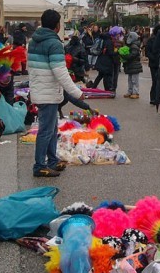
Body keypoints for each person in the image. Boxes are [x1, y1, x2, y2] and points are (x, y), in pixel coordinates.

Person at [28, 9, 85, 177]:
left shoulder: (33, 41)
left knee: (51, 129)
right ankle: (39, 165)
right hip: (48, 92)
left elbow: (30, 66)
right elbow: (60, 71)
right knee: (46, 130)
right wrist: (76, 92)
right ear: (57, 25)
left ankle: (52, 161)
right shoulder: (54, 44)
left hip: (41, 89)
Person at [89, 28, 116, 92]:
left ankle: (93, 87)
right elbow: (110, 53)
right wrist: (116, 53)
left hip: (101, 60)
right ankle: (107, 89)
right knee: (107, 76)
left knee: (100, 75)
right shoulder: (109, 42)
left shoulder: (103, 41)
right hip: (107, 62)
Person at [145, 24, 160, 105]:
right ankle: (153, 98)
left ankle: (159, 98)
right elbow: (147, 52)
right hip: (154, 64)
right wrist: (154, 58)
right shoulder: (151, 40)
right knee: (155, 81)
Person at [122, 31, 143, 99]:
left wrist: (125, 56)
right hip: (132, 65)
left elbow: (132, 55)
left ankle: (135, 92)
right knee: (130, 79)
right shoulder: (132, 45)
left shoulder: (134, 46)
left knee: (134, 80)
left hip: (134, 64)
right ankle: (130, 91)